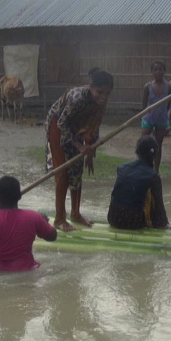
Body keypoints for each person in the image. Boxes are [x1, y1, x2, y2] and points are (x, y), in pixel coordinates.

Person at [45, 68, 113, 231]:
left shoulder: (101, 102)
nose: (103, 97)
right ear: (91, 87)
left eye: (107, 93)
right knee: (63, 173)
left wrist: (90, 151)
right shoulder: (77, 98)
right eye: (100, 92)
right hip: (57, 125)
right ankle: (59, 219)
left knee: (76, 171)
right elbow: (62, 123)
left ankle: (75, 214)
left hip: (77, 128)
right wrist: (80, 146)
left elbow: (94, 125)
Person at [107, 135, 169, 230]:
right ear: (155, 154)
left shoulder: (122, 168)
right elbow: (159, 206)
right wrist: (163, 224)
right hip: (134, 222)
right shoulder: (153, 176)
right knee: (151, 195)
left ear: (137, 152)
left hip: (113, 218)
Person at [141, 61, 171, 172]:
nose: (158, 72)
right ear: (152, 72)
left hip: (161, 119)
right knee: (144, 143)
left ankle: (156, 171)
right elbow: (144, 105)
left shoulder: (169, 87)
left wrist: (163, 113)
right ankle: (144, 167)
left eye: (160, 69)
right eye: (155, 70)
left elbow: (168, 104)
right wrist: (147, 115)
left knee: (158, 145)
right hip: (148, 118)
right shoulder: (147, 87)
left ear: (164, 71)